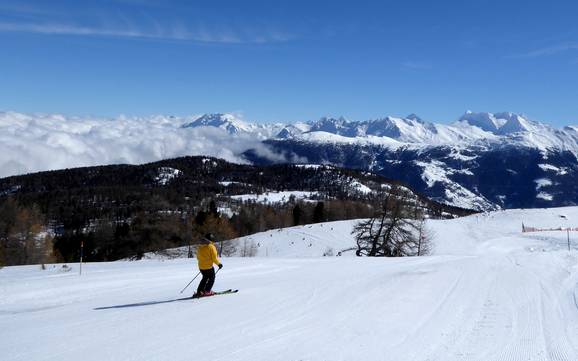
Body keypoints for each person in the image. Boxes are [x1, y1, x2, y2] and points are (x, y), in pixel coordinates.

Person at [194, 233, 223, 298]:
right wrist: (219, 264)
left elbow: (198, 257)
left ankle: (200, 291)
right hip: (208, 267)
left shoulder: (200, 246)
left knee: (204, 278)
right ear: (211, 239)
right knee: (212, 278)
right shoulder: (211, 247)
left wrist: (203, 263)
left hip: (201, 267)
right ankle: (207, 291)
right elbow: (214, 258)